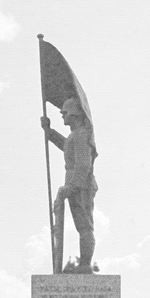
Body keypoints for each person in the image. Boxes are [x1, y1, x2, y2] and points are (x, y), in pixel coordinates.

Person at [41, 96, 98, 274]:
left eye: (65, 112)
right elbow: (66, 146)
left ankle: (85, 265)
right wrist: (49, 131)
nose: (62, 115)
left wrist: (73, 186)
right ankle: (84, 264)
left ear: (74, 114)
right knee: (81, 225)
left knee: (84, 226)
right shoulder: (76, 135)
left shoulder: (82, 134)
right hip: (74, 182)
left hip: (81, 184)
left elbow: (83, 165)